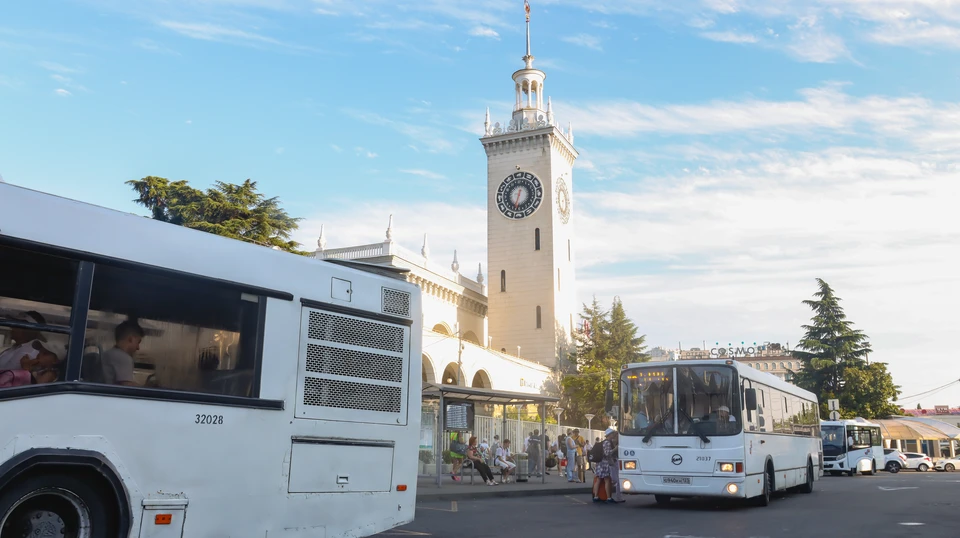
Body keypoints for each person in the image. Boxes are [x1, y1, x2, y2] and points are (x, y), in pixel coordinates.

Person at [0, 311, 61, 378]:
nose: (12, 328)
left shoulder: (30, 352)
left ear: (28, 330)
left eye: (17, 325)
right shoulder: (16, 347)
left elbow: (8, 377)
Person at [101, 319, 145, 386]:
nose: (138, 348)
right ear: (130, 339)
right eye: (138, 342)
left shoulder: (109, 353)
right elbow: (127, 386)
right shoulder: (123, 358)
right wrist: (147, 388)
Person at [593, 428, 619, 503]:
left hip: (599, 463)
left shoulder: (603, 442)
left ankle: (596, 496)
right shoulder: (607, 442)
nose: (613, 435)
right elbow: (607, 453)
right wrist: (615, 449)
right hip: (604, 463)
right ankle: (608, 497)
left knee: (598, 479)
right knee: (607, 479)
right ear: (610, 435)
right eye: (612, 434)